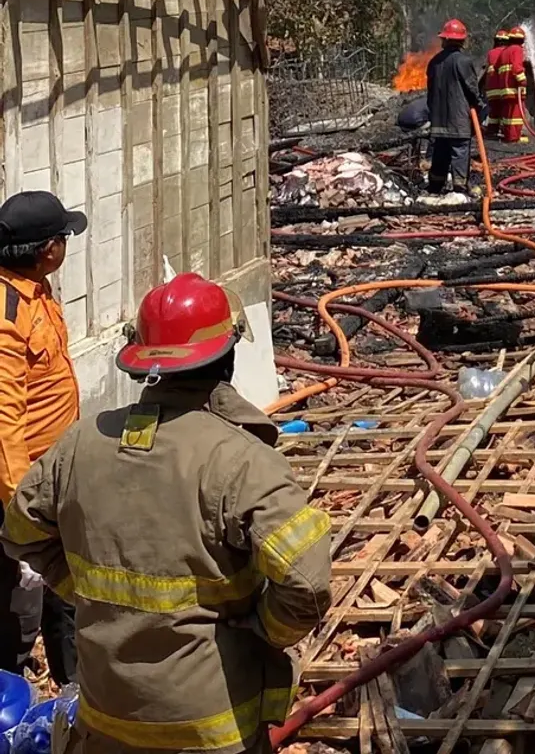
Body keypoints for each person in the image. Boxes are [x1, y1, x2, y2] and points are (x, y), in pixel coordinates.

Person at [3, 273, 332, 754]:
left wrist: (91, 595)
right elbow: (307, 583)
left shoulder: (80, 443)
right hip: (211, 725)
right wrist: (267, 628)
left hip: (106, 719)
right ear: (227, 358)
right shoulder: (241, 459)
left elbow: (20, 531)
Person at [0, 190, 86, 686]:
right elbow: (4, 421)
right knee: (23, 598)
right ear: (47, 249)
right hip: (23, 482)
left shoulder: (35, 290)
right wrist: (22, 510)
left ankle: (71, 689)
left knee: (62, 588)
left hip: (50, 470)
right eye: (63, 238)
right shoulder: (8, 314)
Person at [398, 20, 487, 191]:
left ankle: (435, 185)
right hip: (458, 121)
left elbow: (431, 92)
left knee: (440, 152)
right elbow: (472, 88)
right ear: (462, 40)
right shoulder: (463, 61)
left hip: (438, 120)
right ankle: (460, 188)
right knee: (460, 151)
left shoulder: (434, 62)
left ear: (444, 39)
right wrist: (479, 104)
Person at [481, 29, 518, 143]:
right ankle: (507, 133)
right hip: (504, 87)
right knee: (507, 113)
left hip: (492, 90)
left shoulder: (491, 53)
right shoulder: (507, 52)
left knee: (494, 112)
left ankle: (492, 131)